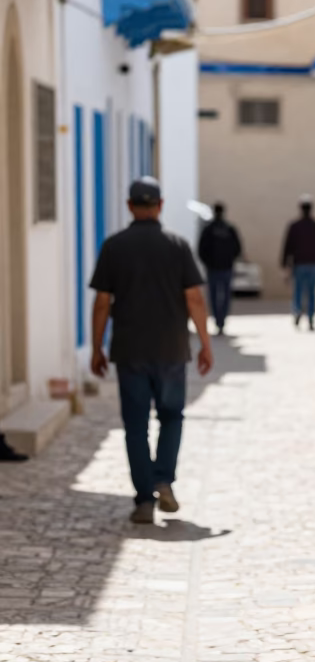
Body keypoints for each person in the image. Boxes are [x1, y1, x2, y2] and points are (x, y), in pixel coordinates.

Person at [89, 176, 214, 524]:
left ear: (130, 206)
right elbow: (194, 298)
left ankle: (144, 499)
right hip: (172, 349)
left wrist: (97, 347)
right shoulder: (177, 246)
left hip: (129, 350)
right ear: (160, 205)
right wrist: (205, 343)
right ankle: (164, 480)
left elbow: (101, 302)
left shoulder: (114, 246)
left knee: (135, 425)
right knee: (172, 417)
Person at [281, 194, 315, 330]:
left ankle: (298, 311)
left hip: (299, 263)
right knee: (311, 291)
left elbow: (287, 246)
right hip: (312, 263)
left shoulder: (295, 226)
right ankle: (310, 317)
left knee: (298, 290)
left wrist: (285, 263)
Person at [198, 202, 242, 334]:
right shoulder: (228, 229)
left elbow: (201, 249)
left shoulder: (210, 229)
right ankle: (220, 320)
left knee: (215, 296)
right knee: (224, 296)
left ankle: (219, 320)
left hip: (215, 268)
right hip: (223, 268)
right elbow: (237, 248)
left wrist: (208, 262)